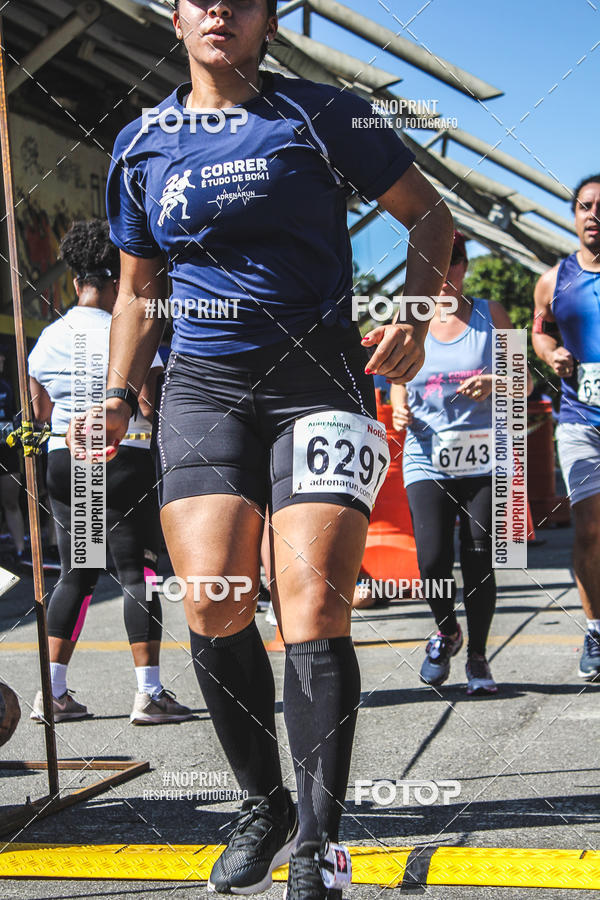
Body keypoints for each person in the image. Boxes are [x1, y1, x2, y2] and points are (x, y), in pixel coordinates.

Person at [76, 1, 453, 896]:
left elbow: (431, 218)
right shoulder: (141, 142)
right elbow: (138, 288)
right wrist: (119, 395)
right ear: (175, 19)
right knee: (210, 602)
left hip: (319, 383)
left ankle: (320, 843)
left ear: (268, 21)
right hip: (202, 390)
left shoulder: (325, 115)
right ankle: (263, 803)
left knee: (314, 611)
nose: (220, 9)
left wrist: (411, 313)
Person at [28, 220, 192, 725]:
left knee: (75, 575)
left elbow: (38, 411)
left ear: (76, 280)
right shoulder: (134, 332)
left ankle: (51, 693)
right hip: (125, 459)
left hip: (64, 459)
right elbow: (147, 402)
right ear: (117, 275)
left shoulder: (47, 339)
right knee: (136, 574)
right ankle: (148, 695)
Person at [392, 232, 531, 695]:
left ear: (465, 265)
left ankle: (477, 656)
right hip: (426, 457)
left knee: (478, 557)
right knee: (431, 560)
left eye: (455, 262)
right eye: (437, 262)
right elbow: (397, 376)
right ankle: (447, 630)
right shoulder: (409, 315)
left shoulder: (491, 315)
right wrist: (397, 404)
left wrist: (498, 380)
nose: (446, 273)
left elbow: (526, 382)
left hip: (483, 458)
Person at [533, 173, 600, 681]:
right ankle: (596, 631)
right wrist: (551, 351)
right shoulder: (554, 280)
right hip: (581, 421)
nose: (593, 214)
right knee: (590, 530)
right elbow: (540, 332)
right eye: (585, 205)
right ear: (574, 215)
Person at [0, 347, 26, 566]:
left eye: (2, 357)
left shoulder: (7, 387)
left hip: (7, 453)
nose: (1, 360)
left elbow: (13, 417)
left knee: (11, 501)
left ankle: (20, 552)